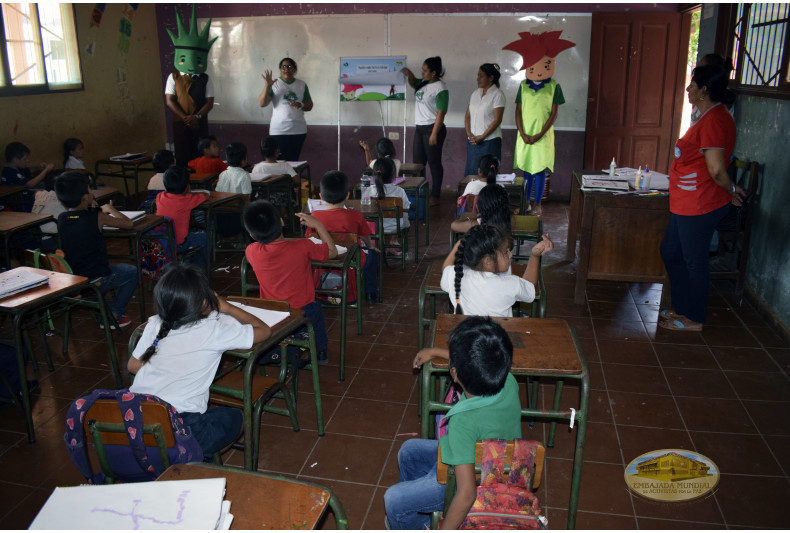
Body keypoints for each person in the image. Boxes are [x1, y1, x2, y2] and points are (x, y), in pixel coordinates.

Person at [384, 316, 522, 530]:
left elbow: (467, 494)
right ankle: (421, 519)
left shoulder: (463, 420)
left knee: (394, 500)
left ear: (455, 374)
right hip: (494, 462)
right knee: (409, 450)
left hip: (476, 483)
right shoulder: (508, 381)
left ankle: (414, 523)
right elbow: (477, 362)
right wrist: (436, 352)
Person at [128, 263, 271, 457]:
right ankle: (193, 460)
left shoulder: (155, 324)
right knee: (238, 416)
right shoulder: (213, 331)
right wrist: (227, 308)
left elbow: (133, 366)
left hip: (135, 420)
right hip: (182, 429)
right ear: (204, 302)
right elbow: (264, 330)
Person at [659, 62, 745, 332]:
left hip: (699, 204)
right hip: (686, 201)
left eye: (692, 85)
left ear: (704, 90)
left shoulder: (717, 120)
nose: (688, 89)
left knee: (693, 260)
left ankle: (693, 319)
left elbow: (717, 169)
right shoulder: (706, 116)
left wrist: (730, 191)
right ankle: (682, 308)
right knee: (671, 252)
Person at [244, 200, 337, 364]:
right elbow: (332, 252)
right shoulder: (303, 246)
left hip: (273, 312)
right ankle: (320, 352)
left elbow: (277, 247)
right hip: (304, 310)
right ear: (281, 221)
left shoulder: (251, 251)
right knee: (316, 317)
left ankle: (280, 352)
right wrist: (318, 225)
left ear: (252, 235)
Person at [55, 172, 137, 328]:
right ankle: (115, 313)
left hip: (74, 278)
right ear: (85, 197)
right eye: (89, 190)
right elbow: (128, 224)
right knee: (131, 271)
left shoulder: (62, 218)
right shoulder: (97, 217)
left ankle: (103, 305)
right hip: (95, 278)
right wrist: (110, 209)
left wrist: (89, 207)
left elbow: (78, 218)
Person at [510, 32, 575, 217]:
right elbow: (518, 111)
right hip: (524, 134)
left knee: (539, 170)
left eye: (544, 63)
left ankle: (538, 204)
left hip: (542, 135)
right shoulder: (523, 86)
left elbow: (554, 114)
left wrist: (539, 134)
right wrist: (522, 133)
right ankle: (527, 203)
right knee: (527, 170)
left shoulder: (554, 86)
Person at [441, 224, 552, 316]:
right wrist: (535, 256)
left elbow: (446, 268)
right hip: (498, 340)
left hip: (465, 340)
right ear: (488, 261)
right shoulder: (511, 284)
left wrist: (459, 244)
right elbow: (530, 285)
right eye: (505, 252)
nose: (510, 254)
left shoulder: (454, 275)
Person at [309, 170, 380, 304]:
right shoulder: (356, 215)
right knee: (371, 256)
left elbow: (311, 239)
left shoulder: (315, 217)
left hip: (325, 258)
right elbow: (365, 237)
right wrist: (370, 246)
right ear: (347, 196)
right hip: (351, 258)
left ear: (321, 197)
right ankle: (370, 294)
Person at [164, 5, 217, 166]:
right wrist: (185, 117)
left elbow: (209, 102)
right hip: (181, 124)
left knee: (201, 157)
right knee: (183, 156)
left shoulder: (205, 78)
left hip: (199, 123)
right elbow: (170, 100)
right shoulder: (173, 77)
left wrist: (197, 117)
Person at [401, 57, 448, 206]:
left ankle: (435, 195)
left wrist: (434, 133)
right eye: (422, 70)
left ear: (434, 73)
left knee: (434, 163)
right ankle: (419, 192)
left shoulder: (441, 87)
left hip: (432, 128)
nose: (422, 73)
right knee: (418, 164)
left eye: (425, 70)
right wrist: (409, 74)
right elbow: (414, 82)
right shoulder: (424, 83)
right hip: (420, 129)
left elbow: (441, 113)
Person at [258, 58, 313, 161]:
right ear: (280, 69)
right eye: (283, 67)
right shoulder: (274, 84)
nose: (286, 69)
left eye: (289, 66)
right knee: (278, 161)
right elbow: (262, 103)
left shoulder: (301, 85)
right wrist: (267, 86)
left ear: (294, 69)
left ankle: (291, 178)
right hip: (278, 130)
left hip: (298, 130)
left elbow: (309, 105)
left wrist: (300, 104)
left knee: (293, 161)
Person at [155, 167, 210, 267]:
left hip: (163, 242)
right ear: (187, 186)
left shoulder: (160, 196)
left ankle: (186, 263)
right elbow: (206, 195)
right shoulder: (186, 200)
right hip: (179, 245)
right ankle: (198, 269)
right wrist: (190, 192)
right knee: (204, 236)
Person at [464, 63, 505, 176]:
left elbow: (497, 119)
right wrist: (469, 134)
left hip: (490, 141)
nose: (478, 79)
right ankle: (473, 194)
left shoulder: (498, 94)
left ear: (491, 78)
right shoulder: (475, 94)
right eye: (478, 75)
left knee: (488, 174)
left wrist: (482, 136)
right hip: (473, 142)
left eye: (481, 76)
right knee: (472, 172)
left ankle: (487, 194)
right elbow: (468, 116)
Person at [2, 142, 54, 211]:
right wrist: (46, 170)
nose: (27, 161)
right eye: (25, 159)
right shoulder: (9, 172)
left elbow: (29, 170)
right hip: (21, 204)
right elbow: (31, 184)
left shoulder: (16, 168)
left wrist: (40, 167)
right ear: (16, 159)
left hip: (26, 198)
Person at [215, 142, 251, 237]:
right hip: (238, 219)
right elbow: (246, 199)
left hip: (221, 218)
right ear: (244, 161)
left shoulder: (222, 174)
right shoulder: (244, 175)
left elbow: (217, 194)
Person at [372, 158, 410, 244]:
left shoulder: (368, 190)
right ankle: (393, 241)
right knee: (404, 216)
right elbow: (406, 208)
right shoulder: (400, 191)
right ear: (393, 175)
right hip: (395, 227)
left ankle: (381, 243)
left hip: (375, 227)